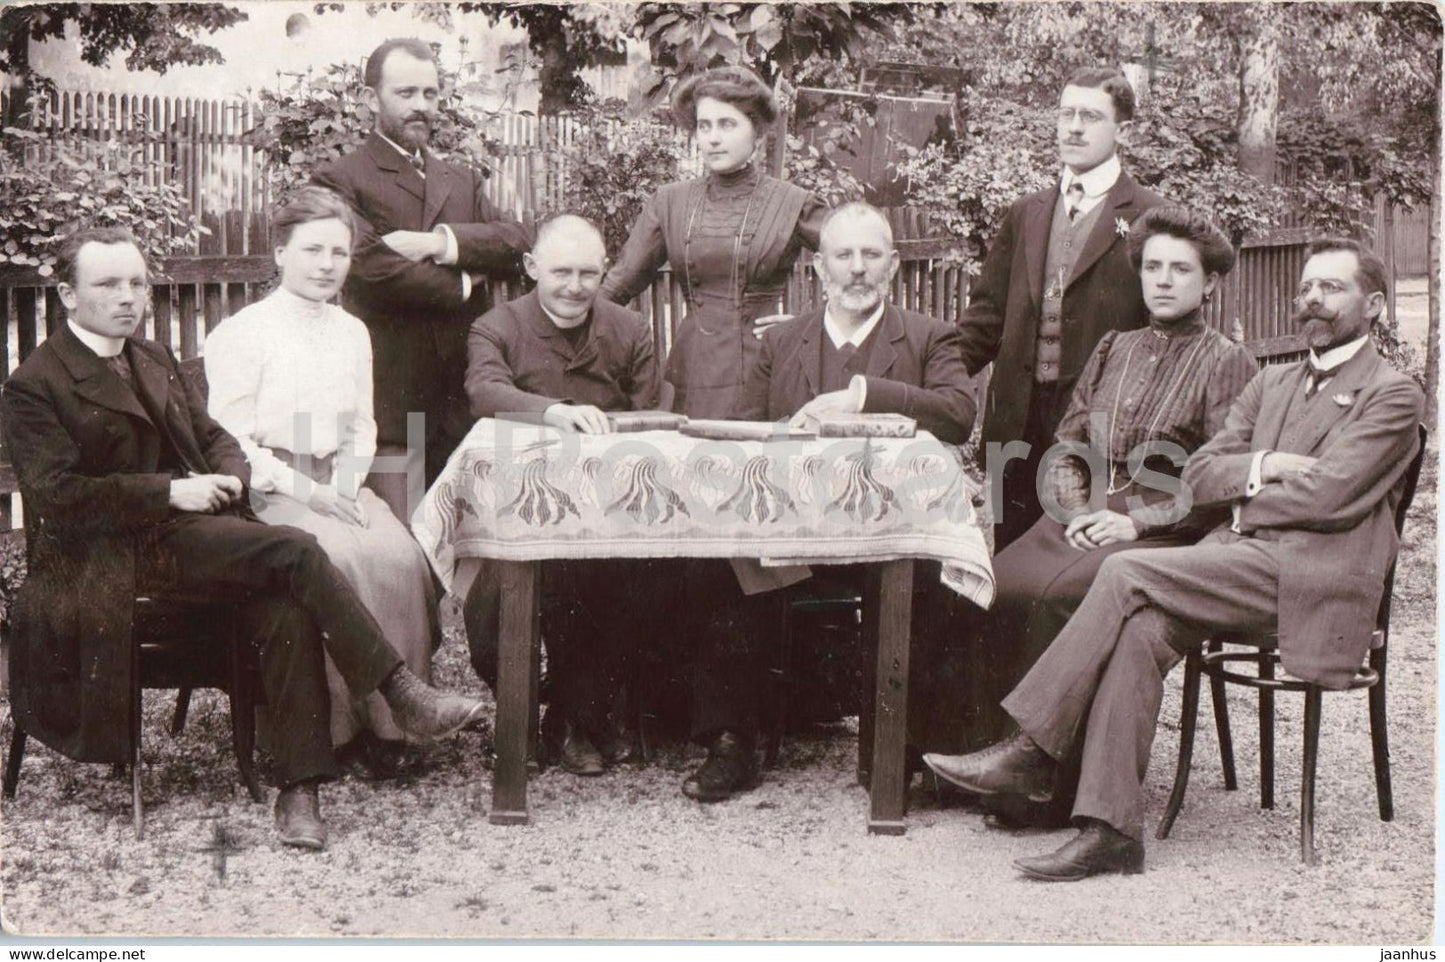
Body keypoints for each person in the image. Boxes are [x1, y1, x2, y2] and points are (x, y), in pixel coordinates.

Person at [924, 238, 1424, 880]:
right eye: (1306, 289)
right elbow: (1203, 472)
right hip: (1237, 563)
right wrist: (1264, 468)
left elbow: (1332, 495)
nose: (1312, 302)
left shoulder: (1393, 394)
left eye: (1331, 289)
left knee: (1125, 569)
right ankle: (1111, 830)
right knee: (1140, 631)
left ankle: (1033, 746)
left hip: (1312, 577)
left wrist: (1243, 502)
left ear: (1375, 305)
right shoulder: (1273, 381)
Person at [1, 227, 488, 851]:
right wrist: (169, 493)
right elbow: (60, 500)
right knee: (292, 549)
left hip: (188, 540)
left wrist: (226, 479)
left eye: (137, 283)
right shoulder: (34, 386)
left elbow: (217, 438)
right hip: (107, 557)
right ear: (67, 294)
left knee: (283, 598)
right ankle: (398, 690)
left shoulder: (151, 359)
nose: (128, 297)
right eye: (108, 285)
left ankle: (300, 790)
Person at [930, 206, 1258, 823]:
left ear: (1209, 282)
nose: (1163, 280)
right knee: (997, 580)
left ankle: (1046, 788)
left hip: (1164, 528)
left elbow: (1219, 477)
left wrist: (1136, 521)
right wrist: (1075, 507)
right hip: (1083, 511)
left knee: (1062, 597)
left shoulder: (1226, 362)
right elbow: (1069, 439)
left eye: (1180, 269)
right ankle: (988, 764)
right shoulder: (1115, 347)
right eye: (1153, 266)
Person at [677, 201, 976, 803]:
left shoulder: (928, 337)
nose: (858, 269)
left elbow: (959, 414)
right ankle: (734, 739)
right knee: (727, 558)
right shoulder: (782, 341)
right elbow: (745, 433)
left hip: (890, 538)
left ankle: (898, 750)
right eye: (844, 255)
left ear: (893, 265)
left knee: (932, 575)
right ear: (819, 267)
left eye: (871, 255)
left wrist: (864, 396)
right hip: (794, 536)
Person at [204, 186, 441, 779]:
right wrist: (310, 494)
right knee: (336, 558)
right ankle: (333, 733)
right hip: (270, 488)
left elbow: (363, 422)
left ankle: (393, 728)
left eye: (339, 253)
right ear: (280, 253)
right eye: (312, 250)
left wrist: (343, 483)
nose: (326, 265)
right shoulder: (242, 332)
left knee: (398, 556)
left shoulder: (351, 331)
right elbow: (232, 440)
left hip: (338, 482)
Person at [463, 214, 660, 775]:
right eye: (561, 272)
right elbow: (484, 390)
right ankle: (526, 711)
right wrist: (553, 412)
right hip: (515, 508)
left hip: (605, 505)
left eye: (588, 273)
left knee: (616, 579)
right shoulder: (495, 326)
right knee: (493, 609)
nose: (575, 286)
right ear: (530, 269)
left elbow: (648, 417)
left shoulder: (630, 329)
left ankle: (574, 719)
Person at [312, 37, 532, 520]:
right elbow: (369, 267)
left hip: (464, 388)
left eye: (430, 94)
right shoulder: (342, 178)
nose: (421, 107)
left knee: (473, 535)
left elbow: (516, 241)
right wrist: (467, 283)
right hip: (394, 396)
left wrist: (440, 243)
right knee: (407, 538)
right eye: (406, 93)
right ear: (372, 99)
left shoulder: (462, 179)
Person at [957, 67, 1167, 550]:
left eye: (1091, 116)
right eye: (1066, 113)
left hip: (1100, 432)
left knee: (1080, 562)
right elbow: (984, 323)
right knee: (1010, 562)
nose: (1074, 126)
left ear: (1123, 131)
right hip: (1015, 427)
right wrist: (930, 381)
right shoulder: (1026, 213)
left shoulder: (1151, 217)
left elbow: (1163, 335)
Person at [599, 65, 828, 420]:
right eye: (704, 126)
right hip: (693, 370)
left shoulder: (792, 202)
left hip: (767, 366)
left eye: (727, 124)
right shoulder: (670, 202)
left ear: (756, 131)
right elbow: (616, 285)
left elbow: (858, 261)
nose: (713, 138)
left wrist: (809, 326)